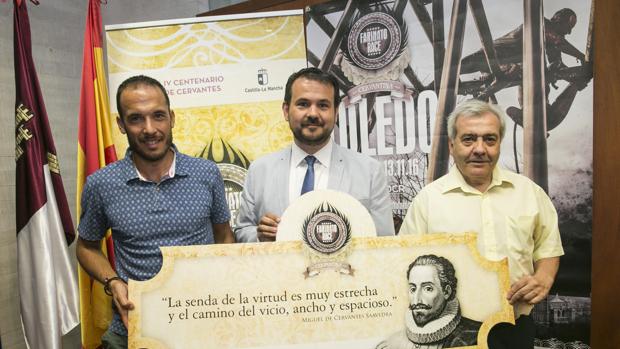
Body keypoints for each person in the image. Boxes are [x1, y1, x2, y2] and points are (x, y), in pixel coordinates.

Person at [76, 75, 235, 348]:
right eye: (136, 118)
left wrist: (221, 288)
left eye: (158, 116)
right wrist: (113, 282)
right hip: (133, 327)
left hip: (203, 323)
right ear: (121, 125)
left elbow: (224, 237)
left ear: (171, 118)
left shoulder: (206, 174)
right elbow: (86, 247)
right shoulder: (102, 184)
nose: (150, 129)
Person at [399, 99, 564, 348]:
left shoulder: (529, 193)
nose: (480, 149)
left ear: (499, 144)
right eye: (468, 139)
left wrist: (543, 277)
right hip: (451, 335)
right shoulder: (427, 201)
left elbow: (548, 249)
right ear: (452, 145)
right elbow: (404, 263)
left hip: (515, 330)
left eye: (489, 139)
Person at [234, 67, 395, 242]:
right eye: (303, 104)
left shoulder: (369, 171)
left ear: (336, 111)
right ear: (286, 110)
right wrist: (259, 236)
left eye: (323, 105)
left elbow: (384, 242)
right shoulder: (260, 170)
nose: (313, 113)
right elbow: (242, 230)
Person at [377, 255, 481, 349]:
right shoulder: (393, 343)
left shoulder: (477, 335)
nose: (417, 299)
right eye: (413, 289)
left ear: (446, 291)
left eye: (427, 288)